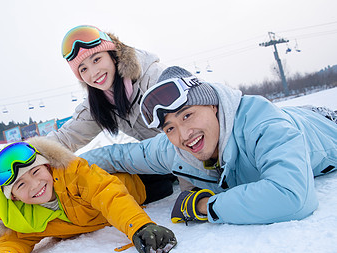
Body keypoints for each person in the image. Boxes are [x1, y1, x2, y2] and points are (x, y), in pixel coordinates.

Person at [80, 66, 337, 225]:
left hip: (324, 122)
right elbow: (120, 155)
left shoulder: (263, 123)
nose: (184, 134)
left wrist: (204, 206)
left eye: (187, 115)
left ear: (212, 105)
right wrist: (62, 166)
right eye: (169, 127)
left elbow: (292, 198)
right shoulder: (173, 147)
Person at [0, 138, 176, 253]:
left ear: (47, 167)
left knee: (175, 169)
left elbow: (109, 196)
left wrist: (140, 226)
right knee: (171, 182)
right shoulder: (25, 217)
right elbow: (11, 241)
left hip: (138, 180)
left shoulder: (73, 175)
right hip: (147, 192)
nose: (35, 185)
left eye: (36, 171)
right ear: (14, 197)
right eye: (21, 185)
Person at [46, 24, 180, 202]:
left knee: (107, 157)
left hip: (193, 152)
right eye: (83, 69)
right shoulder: (101, 100)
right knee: (95, 170)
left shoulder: (152, 78)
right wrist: (22, 157)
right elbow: (67, 137)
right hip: (165, 162)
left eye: (96, 59)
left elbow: (190, 124)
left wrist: (191, 188)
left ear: (113, 55)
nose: (94, 73)